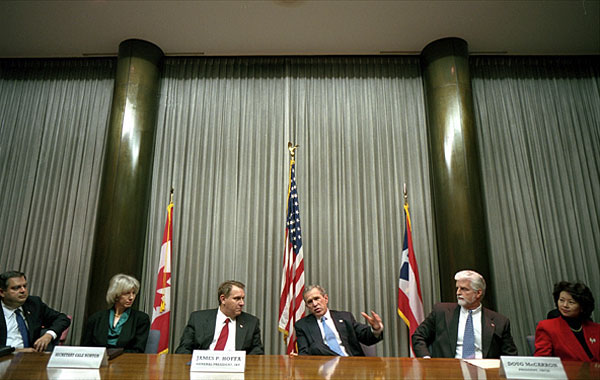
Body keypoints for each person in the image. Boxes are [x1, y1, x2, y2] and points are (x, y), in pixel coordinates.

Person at [412, 270, 518, 358]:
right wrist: (426, 360)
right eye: (457, 288)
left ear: (478, 293)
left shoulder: (499, 321)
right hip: (449, 372)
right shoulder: (441, 312)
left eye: (464, 289)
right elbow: (418, 336)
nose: (458, 292)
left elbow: (510, 355)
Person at [175, 280, 264, 354]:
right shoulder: (198, 319)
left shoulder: (251, 322)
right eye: (237, 298)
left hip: (235, 371)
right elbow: (184, 349)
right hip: (204, 368)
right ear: (223, 299)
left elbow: (257, 352)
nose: (242, 303)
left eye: (242, 298)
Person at [294, 285, 383, 356]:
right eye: (310, 302)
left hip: (352, 366)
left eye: (317, 298)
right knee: (316, 347)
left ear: (326, 299)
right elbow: (304, 352)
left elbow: (366, 337)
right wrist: (298, 358)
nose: (315, 304)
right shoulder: (302, 325)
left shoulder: (345, 317)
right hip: (323, 369)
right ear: (307, 306)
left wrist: (376, 329)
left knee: (315, 347)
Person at [0, 270, 71, 352]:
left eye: (25, 286)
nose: (23, 290)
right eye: (16, 288)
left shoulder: (33, 304)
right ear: (2, 292)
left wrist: (48, 335)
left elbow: (63, 319)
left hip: (31, 358)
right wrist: (16, 351)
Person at [81, 274, 150, 353]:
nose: (131, 297)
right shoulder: (96, 318)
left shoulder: (141, 319)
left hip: (126, 362)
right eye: (127, 293)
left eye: (133, 293)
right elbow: (85, 349)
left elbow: (138, 350)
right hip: (98, 362)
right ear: (116, 294)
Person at [534, 281, 599, 362]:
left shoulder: (596, 328)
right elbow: (542, 361)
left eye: (571, 302)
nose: (565, 305)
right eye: (561, 300)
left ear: (582, 307)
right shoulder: (547, 327)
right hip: (568, 374)